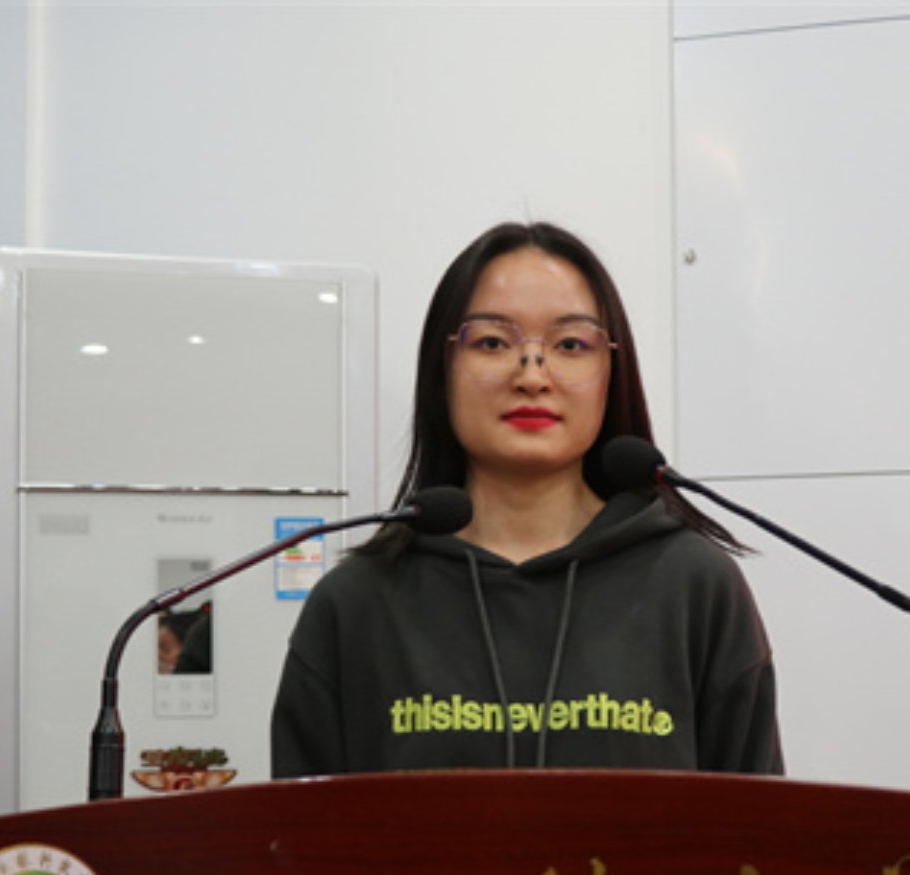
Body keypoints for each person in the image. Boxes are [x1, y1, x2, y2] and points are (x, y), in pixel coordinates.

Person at [270, 221, 782, 777]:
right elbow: (300, 830)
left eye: (570, 345)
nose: (533, 375)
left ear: (611, 372)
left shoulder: (694, 586)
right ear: (442, 370)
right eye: (493, 342)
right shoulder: (356, 604)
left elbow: (756, 824)